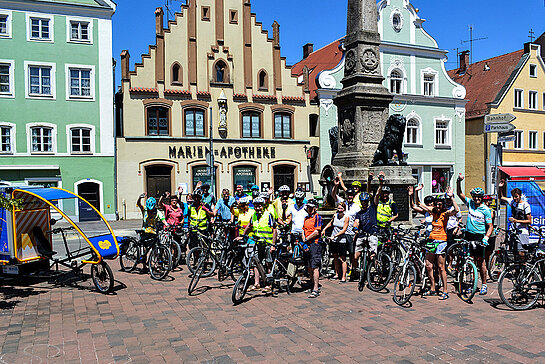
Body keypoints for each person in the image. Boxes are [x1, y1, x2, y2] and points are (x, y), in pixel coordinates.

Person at [417, 188, 460, 300]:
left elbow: (456, 210)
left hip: (441, 241)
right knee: (429, 266)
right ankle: (432, 288)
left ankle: (445, 291)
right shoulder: (433, 212)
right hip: (431, 240)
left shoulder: (445, 214)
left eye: (440, 204)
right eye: (436, 204)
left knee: (441, 267)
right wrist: (415, 192)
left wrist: (451, 197)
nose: (438, 206)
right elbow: (418, 204)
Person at [457, 174, 493, 295]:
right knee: (470, 260)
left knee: (481, 261)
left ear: (482, 198)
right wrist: (458, 181)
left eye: (479, 197)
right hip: (468, 234)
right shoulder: (470, 203)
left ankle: (484, 284)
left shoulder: (486, 210)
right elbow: (459, 194)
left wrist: (486, 237)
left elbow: (490, 227)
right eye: (475, 197)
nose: (477, 199)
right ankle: (472, 283)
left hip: (479, 236)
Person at [241, 197, 277, 293]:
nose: (258, 207)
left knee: (268, 263)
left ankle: (269, 284)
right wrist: (243, 236)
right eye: (256, 205)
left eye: (260, 205)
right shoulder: (254, 216)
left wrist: (273, 245)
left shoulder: (268, 215)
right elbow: (249, 226)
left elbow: (274, 230)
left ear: (263, 206)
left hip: (267, 243)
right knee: (256, 263)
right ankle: (257, 284)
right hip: (258, 243)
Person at [331, 179, 360, 279]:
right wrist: (335, 186)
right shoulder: (343, 203)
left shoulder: (356, 206)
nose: (350, 197)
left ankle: (353, 271)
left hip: (351, 233)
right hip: (341, 233)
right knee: (340, 255)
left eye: (351, 195)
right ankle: (338, 272)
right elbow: (334, 195)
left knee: (352, 254)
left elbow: (359, 218)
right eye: (348, 195)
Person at [498, 179, 532, 254]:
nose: (514, 198)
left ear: (520, 196)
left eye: (516, 197)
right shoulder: (512, 202)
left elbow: (529, 221)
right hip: (514, 231)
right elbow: (501, 197)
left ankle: (523, 265)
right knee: (513, 252)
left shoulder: (525, 205)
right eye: (513, 197)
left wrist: (516, 220)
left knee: (521, 252)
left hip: (523, 231)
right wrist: (500, 188)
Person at [322, 202, 349, 282]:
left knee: (342, 259)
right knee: (335, 257)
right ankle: (337, 273)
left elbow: (344, 230)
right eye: (339, 208)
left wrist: (335, 236)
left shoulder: (346, 217)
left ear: (344, 209)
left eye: (341, 209)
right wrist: (324, 229)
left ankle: (343, 276)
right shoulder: (335, 215)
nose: (340, 210)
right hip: (334, 240)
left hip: (341, 240)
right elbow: (331, 223)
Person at [302, 199, 323, 298]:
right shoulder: (306, 218)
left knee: (315, 266)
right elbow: (303, 229)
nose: (309, 209)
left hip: (315, 244)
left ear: (315, 208)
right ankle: (311, 284)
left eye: (311, 207)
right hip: (307, 244)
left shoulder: (318, 217)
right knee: (309, 266)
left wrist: (306, 239)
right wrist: (304, 240)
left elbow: (317, 232)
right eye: (308, 207)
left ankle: (315, 288)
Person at [354, 192, 379, 264]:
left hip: (372, 234)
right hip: (362, 235)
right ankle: (356, 272)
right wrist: (355, 228)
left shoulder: (372, 208)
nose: (363, 203)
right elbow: (356, 222)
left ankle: (377, 270)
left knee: (372, 256)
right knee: (355, 256)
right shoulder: (359, 213)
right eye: (362, 201)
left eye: (365, 201)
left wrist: (380, 185)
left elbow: (377, 195)